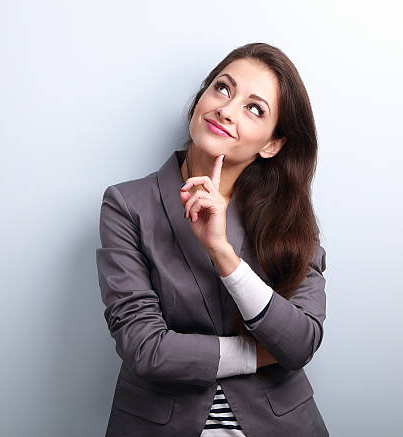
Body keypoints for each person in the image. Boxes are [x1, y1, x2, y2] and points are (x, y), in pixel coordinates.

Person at [96, 42, 329, 436]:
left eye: (254, 108)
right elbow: (145, 349)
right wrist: (259, 354)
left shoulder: (290, 218)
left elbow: (301, 341)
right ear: (200, 99)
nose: (226, 109)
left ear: (272, 144)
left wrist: (223, 253)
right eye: (222, 88)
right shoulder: (127, 204)